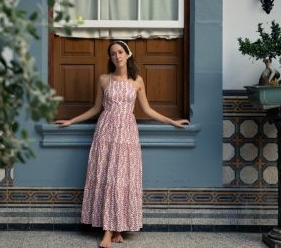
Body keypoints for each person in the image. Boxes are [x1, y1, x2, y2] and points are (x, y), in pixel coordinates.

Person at [55, 40, 190, 248]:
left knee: (122, 179)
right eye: (112, 53)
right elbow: (94, 109)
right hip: (105, 133)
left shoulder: (137, 81)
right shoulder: (104, 80)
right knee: (107, 178)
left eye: (120, 52)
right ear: (110, 58)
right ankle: (109, 231)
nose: (116, 56)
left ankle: (117, 228)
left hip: (127, 133)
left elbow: (147, 110)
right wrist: (71, 121)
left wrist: (172, 121)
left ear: (128, 54)